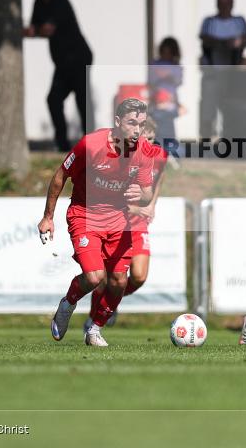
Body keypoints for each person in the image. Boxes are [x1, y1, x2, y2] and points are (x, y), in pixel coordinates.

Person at [39, 98, 154, 347]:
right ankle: (68, 303)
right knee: (93, 277)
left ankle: (94, 328)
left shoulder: (143, 152)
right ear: (117, 122)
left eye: (141, 124)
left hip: (118, 220)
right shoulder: (91, 145)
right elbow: (60, 176)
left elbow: (146, 192)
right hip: (85, 215)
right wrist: (48, 217)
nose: (137, 130)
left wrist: (141, 196)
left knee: (119, 282)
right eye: (132, 123)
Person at [83, 117, 168, 331]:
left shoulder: (159, 156)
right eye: (143, 140)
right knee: (106, 277)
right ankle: (97, 316)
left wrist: (153, 204)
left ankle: (112, 301)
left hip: (138, 225)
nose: (148, 145)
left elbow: (160, 177)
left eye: (151, 140)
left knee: (139, 277)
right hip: (115, 222)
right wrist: (140, 208)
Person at [25, 0, 94, 152]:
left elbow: (46, 30)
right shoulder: (39, 2)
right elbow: (33, 29)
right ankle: (63, 145)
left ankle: (91, 145)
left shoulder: (61, 3)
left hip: (79, 58)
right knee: (54, 99)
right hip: (62, 62)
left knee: (82, 101)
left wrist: (34, 30)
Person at [198, 0, 246, 139]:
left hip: (232, 73)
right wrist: (225, 43)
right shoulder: (210, 21)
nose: (225, 6)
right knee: (208, 109)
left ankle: (229, 139)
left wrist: (235, 44)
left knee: (230, 108)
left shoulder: (239, 21)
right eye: (222, 2)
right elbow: (206, 39)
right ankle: (206, 140)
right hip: (212, 73)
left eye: (228, 2)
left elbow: (244, 39)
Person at [148, 37, 183, 145]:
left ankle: (169, 153)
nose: (166, 55)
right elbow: (151, 80)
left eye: (169, 52)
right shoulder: (154, 64)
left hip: (170, 104)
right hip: (156, 104)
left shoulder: (176, 66)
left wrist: (166, 75)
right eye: (164, 52)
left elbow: (178, 80)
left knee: (168, 133)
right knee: (155, 130)